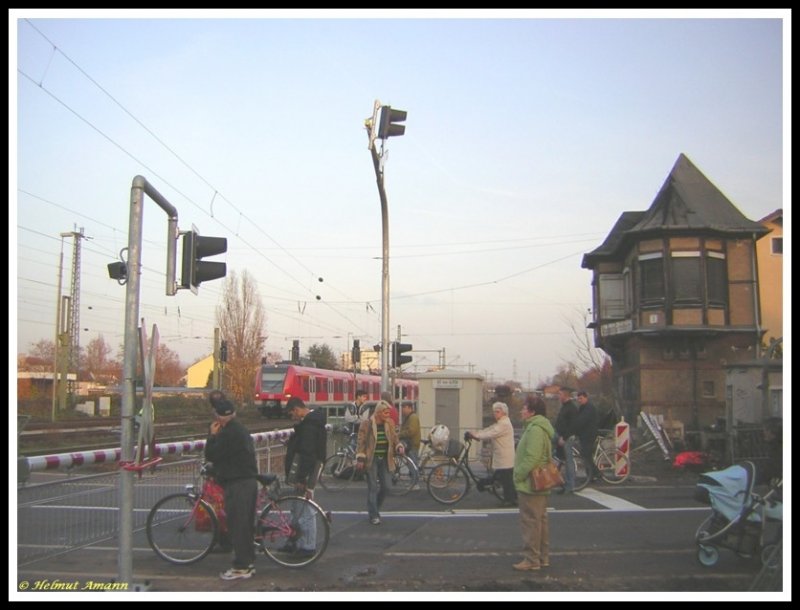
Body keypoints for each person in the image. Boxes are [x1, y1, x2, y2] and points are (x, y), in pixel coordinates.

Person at [203, 390, 259, 581]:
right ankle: (248, 563)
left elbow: (211, 454)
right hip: (249, 481)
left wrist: (212, 436)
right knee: (246, 526)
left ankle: (241, 567)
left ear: (218, 418)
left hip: (238, 483)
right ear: (233, 413)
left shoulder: (226, 433)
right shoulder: (240, 429)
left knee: (238, 526)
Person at [512, 394, 555, 571]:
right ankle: (542, 557)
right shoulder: (540, 427)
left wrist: (518, 474)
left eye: (524, 407)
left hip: (531, 482)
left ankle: (531, 559)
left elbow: (532, 457)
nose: (522, 410)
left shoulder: (535, 430)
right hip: (540, 481)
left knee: (530, 521)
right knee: (540, 520)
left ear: (532, 411)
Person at [284, 397, 327, 557]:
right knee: (298, 507)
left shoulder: (309, 426)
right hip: (310, 469)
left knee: (305, 508)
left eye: (291, 414)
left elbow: (307, 453)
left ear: (296, 409)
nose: (292, 418)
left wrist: (302, 478)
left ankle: (307, 546)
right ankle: (296, 540)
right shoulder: (312, 422)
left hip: (307, 472)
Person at [355, 399, 405, 525]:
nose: (387, 415)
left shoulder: (390, 423)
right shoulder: (367, 424)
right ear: (377, 413)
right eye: (385, 412)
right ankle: (374, 515)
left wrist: (399, 445)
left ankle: (374, 507)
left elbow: (394, 438)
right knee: (372, 487)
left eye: (388, 412)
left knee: (387, 487)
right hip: (371, 459)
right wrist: (361, 458)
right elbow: (361, 441)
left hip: (386, 459)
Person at [466, 401, 517, 505]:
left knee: (506, 479)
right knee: (504, 478)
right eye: (494, 412)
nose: (495, 414)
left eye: (497, 411)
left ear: (503, 413)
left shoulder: (504, 424)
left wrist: (476, 436)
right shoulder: (501, 423)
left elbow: (491, 433)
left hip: (504, 456)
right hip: (502, 456)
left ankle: (509, 500)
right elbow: (489, 429)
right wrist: (476, 434)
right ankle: (512, 498)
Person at [553, 387, 579, 494]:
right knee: (563, 459)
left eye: (560, 394)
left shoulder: (571, 408)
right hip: (561, 435)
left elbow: (572, 426)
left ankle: (570, 486)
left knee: (569, 462)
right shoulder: (565, 407)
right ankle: (564, 483)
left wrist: (564, 437)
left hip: (566, 438)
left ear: (565, 395)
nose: (558, 397)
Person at [574, 391, 600, 481]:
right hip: (585, 435)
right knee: (586, 455)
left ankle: (596, 473)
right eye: (578, 398)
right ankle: (591, 476)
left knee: (585, 454)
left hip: (589, 435)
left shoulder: (589, 408)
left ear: (586, 398)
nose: (579, 400)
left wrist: (574, 427)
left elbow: (581, 420)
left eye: (581, 398)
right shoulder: (583, 407)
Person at [398, 402, 421, 466]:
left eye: (404, 407)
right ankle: (413, 475)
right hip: (410, 444)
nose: (402, 409)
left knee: (413, 465)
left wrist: (399, 435)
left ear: (409, 408)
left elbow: (411, 431)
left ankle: (415, 475)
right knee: (411, 463)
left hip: (412, 445)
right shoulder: (408, 417)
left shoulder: (413, 417)